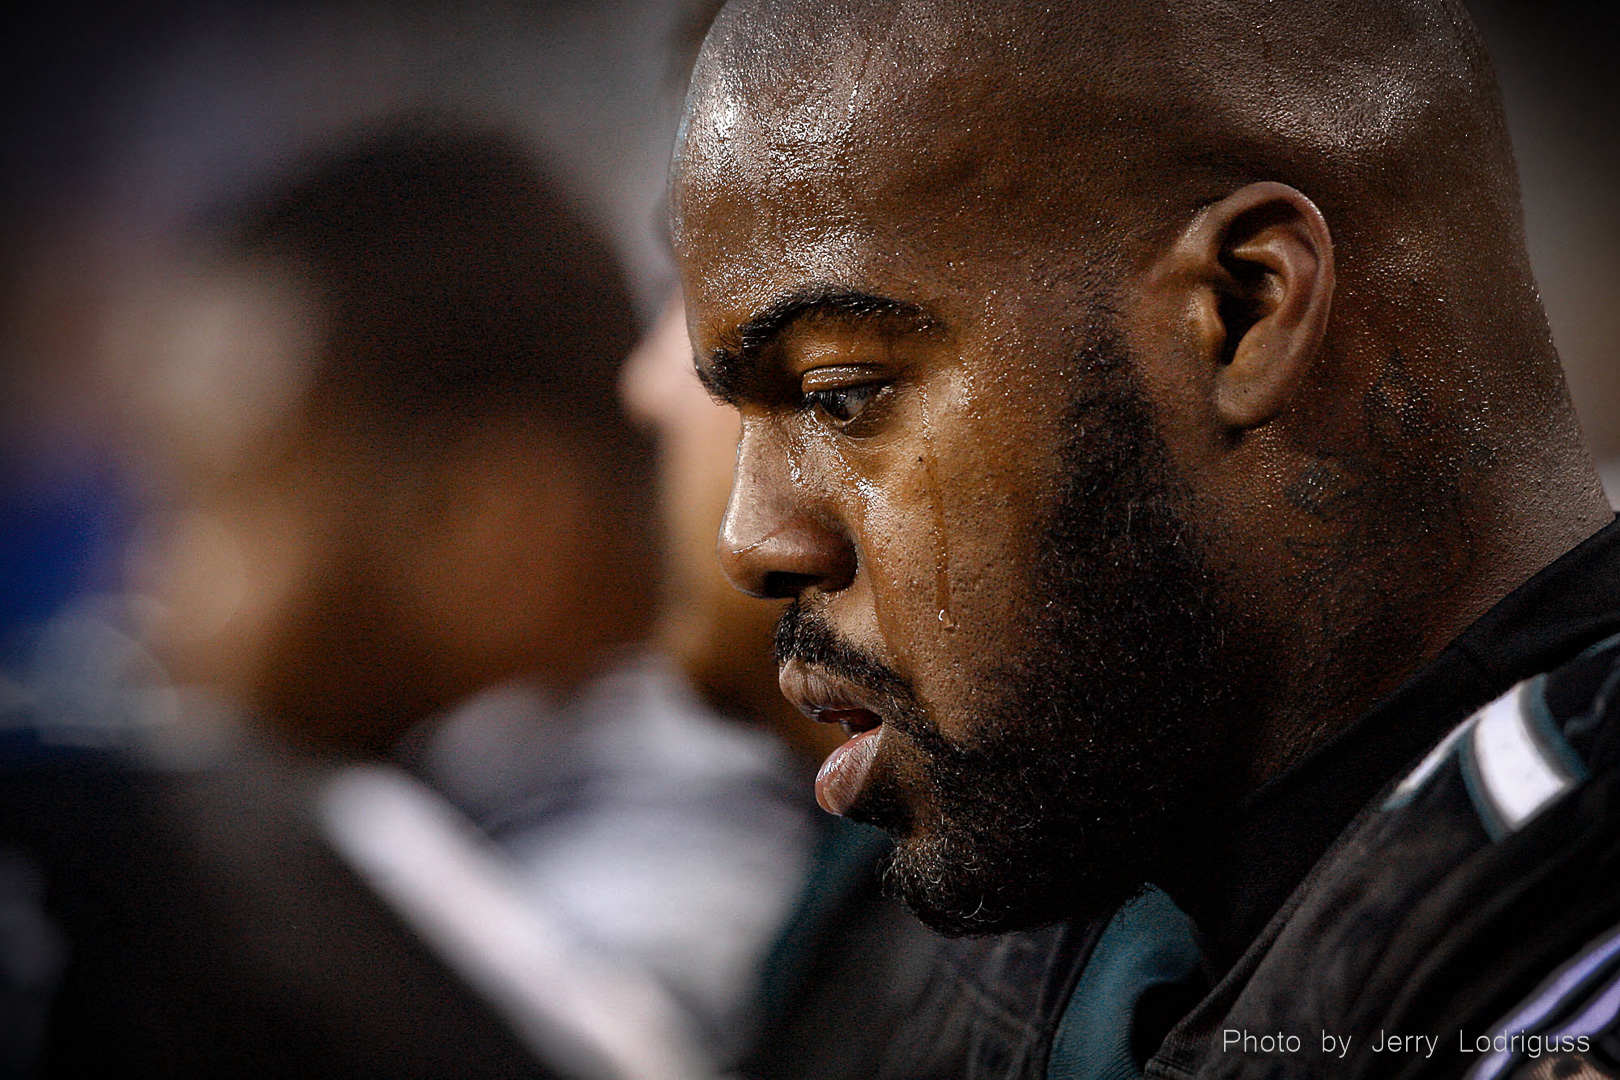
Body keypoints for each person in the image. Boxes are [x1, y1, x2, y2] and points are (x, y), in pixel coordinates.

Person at [668, 1, 1620, 1077]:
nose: (752, 542)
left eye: (841, 396)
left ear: (1241, 306)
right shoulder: (1119, 852)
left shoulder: (1556, 935)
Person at [39, 118, 815, 1076]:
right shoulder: (424, 786)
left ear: (483, 527)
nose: (151, 589)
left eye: (213, 505)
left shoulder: (694, 833)